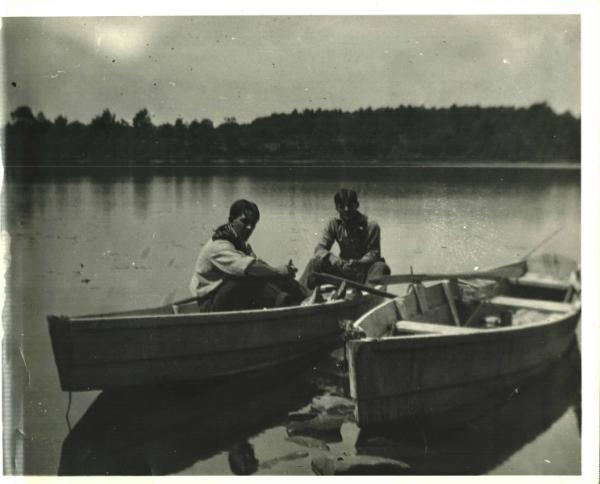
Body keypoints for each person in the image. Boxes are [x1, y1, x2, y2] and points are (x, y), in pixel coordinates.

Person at [190, 199, 307, 311]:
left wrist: (282, 273)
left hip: (225, 298)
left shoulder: (239, 242)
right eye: (244, 222)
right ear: (231, 220)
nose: (249, 227)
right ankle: (288, 305)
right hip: (210, 305)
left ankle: (303, 298)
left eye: (253, 223)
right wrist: (278, 271)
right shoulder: (219, 246)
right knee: (246, 278)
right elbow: (250, 268)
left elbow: (260, 267)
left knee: (268, 273)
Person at [299, 188, 391, 290]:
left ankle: (367, 295)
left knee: (381, 267)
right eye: (342, 206)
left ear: (357, 205)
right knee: (314, 263)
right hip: (344, 270)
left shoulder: (371, 225)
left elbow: (374, 254)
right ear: (336, 208)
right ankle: (301, 293)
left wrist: (358, 263)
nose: (346, 209)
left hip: (365, 272)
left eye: (350, 205)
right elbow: (319, 249)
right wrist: (334, 259)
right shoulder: (334, 223)